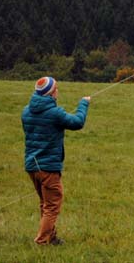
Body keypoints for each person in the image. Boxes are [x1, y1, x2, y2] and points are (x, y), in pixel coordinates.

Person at [22, 77, 90, 246]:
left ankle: (51, 238)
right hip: (48, 167)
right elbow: (77, 122)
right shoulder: (55, 113)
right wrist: (84, 103)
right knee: (52, 206)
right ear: (51, 93)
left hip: (32, 166)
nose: (58, 91)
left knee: (45, 204)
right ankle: (42, 241)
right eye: (56, 89)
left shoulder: (26, 111)